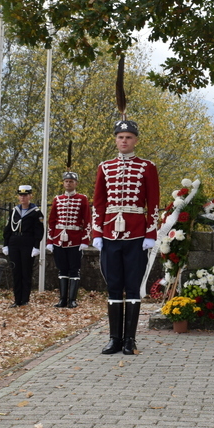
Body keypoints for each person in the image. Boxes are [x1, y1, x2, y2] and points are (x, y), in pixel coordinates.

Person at [93, 119, 160, 355]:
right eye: (120, 137)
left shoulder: (147, 167)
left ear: (136, 140)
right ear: (115, 140)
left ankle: (130, 340)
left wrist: (151, 233)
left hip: (136, 235)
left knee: (132, 287)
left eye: (129, 137)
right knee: (114, 287)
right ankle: (114, 339)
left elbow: (153, 203)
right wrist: (97, 232)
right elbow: (99, 202)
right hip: (110, 234)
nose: (124, 141)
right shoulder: (105, 167)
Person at [46, 171, 92, 308]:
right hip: (59, 239)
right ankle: (62, 299)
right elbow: (52, 221)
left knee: (74, 269)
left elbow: (87, 220)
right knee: (62, 269)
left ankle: (72, 299)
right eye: (66, 181)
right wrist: (50, 241)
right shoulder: (57, 199)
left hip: (75, 238)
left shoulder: (82, 199)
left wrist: (85, 240)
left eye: (71, 181)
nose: (68, 183)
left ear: (76, 183)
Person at [3, 185, 44, 307]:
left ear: (30, 196)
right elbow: (8, 228)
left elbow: (39, 231)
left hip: (27, 243)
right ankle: (17, 300)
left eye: (25, 195)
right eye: (21, 195)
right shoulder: (14, 210)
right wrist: (6, 244)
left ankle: (25, 299)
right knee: (16, 271)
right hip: (14, 242)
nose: (23, 197)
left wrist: (36, 246)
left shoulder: (36, 212)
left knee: (26, 272)